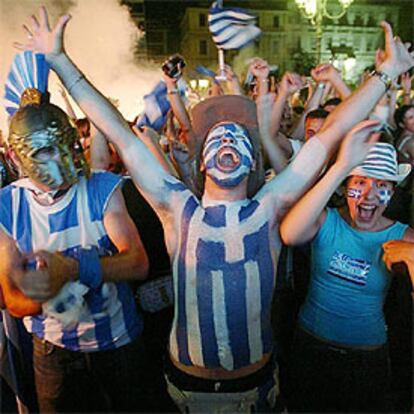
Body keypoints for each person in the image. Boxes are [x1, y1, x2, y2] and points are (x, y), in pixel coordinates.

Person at [18, 7, 413, 412]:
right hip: (188, 392)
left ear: (253, 161)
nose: (228, 141)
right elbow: (117, 128)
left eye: (240, 139)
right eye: (218, 138)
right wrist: (61, 61)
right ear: (203, 161)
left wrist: (385, 76)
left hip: (257, 390)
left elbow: (328, 136)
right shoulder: (177, 208)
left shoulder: (269, 207)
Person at [0, 83, 150, 412]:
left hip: (118, 342)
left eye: (65, 145)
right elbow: (11, 299)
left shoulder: (101, 187)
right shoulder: (7, 206)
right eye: (44, 151)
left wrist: (70, 269)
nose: (60, 158)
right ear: (15, 156)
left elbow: (138, 262)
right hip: (53, 351)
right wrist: (43, 290)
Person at [280, 123, 413, 412]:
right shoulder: (326, 220)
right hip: (310, 349)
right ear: (346, 185)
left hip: (365, 360)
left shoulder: (402, 235)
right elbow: (290, 234)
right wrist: (341, 167)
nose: (368, 196)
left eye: (382, 185)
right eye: (360, 182)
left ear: (392, 192)